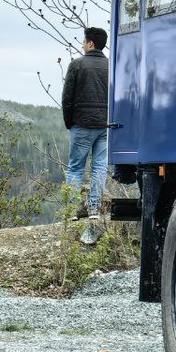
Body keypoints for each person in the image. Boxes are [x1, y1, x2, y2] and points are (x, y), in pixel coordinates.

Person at [62, 27, 109, 219]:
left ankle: (72, 210)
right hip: (106, 125)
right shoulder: (111, 66)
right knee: (99, 167)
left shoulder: (77, 64)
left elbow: (67, 97)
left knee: (76, 167)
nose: (83, 44)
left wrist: (69, 122)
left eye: (84, 41)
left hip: (81, 123)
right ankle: (94, 209)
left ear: (90, 43)